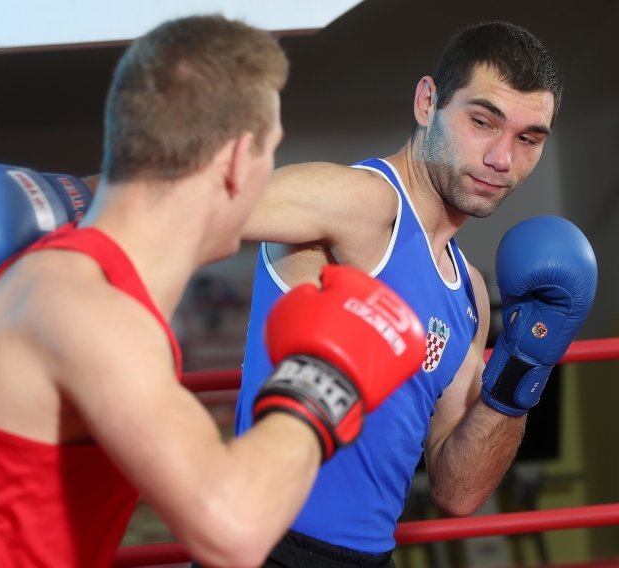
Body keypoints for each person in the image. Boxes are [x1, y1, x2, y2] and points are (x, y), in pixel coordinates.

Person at [0, 15, 430, 568]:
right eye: (270, 152)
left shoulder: (79, 285)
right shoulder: (88, 311)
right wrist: (322, 376)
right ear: (234, 162)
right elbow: (234, 529)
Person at [232, 20, 597, 566]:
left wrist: (527, 363)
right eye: (482, 121)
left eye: (528, 139)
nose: (502, 158)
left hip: (370, 556)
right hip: (265, 546)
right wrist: (62, 205)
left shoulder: (467, 293)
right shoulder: (359, 201)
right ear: (427, 102)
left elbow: (458, 489)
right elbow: (182, 207)